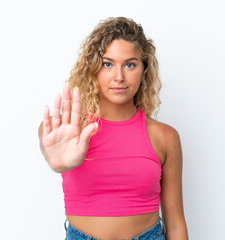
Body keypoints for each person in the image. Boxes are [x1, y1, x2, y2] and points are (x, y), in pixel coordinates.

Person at [38, 17, 188, 240]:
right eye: (107, 64)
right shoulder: (64, 130)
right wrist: (54, 161)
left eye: (130, 64)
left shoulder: (164, 137)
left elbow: (175, 225)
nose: (119, 77)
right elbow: (51, 150)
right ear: (93, 69)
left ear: (144, 69)